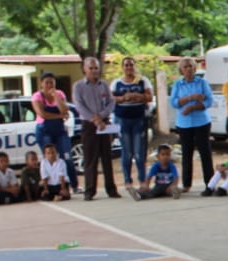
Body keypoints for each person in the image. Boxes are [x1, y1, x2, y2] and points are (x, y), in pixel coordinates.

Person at [72, 56, 120, 200]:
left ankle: (111, 189)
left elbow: (111, 102)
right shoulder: (78, 86)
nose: (94, 71)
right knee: (90, 159)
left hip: (104, 124)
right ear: (85, 69)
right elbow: (79, 105)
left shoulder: (103, 85)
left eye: (96, 68)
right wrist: (94, 119)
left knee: (107, 158)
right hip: (89, 125)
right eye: (91, 68)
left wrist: (101, 116)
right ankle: (90, 190)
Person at [169, 56, 215, 192]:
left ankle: (210, 183)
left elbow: (209, 100)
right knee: (187, 154)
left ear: (195, 68)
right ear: (181, 70)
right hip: (184, 124)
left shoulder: (202, 82)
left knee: (205, 153)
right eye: (185, 66)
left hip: (201, 122)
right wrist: (191, 98)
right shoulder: (178, 84)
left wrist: (193, 107)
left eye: (191, 66)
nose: (188, 69)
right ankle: (186, 184)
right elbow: (174, 102)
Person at [32, 71, 78, 193]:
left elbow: (65, 110)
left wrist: (56, 97)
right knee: (50, 159)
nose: (49, 85)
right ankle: (52, 187)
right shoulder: (37, 96)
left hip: (60, 130)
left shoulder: (60, 94)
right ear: (41, 83)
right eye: (46, 83)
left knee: (67, 157)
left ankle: (74, 185)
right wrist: (59, 116)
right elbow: (43, 114)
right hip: (44, 131)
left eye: (52, 83)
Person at [112, 56, 153, 188]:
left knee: (139, 152)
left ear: (135, 66)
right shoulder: (116, 83)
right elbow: (110, 99)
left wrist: (138, 96)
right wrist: (123, 98)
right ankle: (127, 180)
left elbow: (150, 97)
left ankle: (142, 180)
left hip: (139, 119)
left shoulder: (142, 81)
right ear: (122, 67)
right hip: (122, 120)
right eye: (126, 65)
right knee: (127, 152)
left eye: (131, 65)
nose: (129, 67)